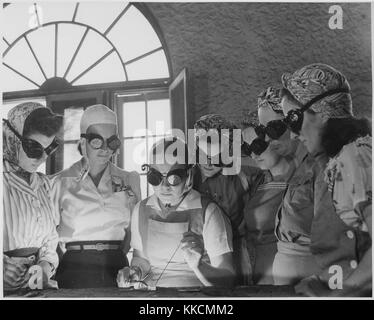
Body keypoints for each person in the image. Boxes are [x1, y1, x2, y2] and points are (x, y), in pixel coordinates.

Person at [281, 63, 371, 296]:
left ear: (321, 114)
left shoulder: (357, 157)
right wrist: (321, 280)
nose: (292, 133)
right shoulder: (331, 164)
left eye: (293, 119)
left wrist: (340, 294)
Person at [117, 137, 235, 288]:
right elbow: (141, 260)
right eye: (156, 177)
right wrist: (135, 272)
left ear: (189, 176)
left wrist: (199, 266)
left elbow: (228, 279)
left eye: (174, 178)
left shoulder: (208, 211)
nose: (164, 186)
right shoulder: (141, 209)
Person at [53, 104, 141, 288]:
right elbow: (49, 234)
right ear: (83, 142)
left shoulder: (129, 179)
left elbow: (135, 229)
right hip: (74, 267)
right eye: (97, 141)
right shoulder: (60, 182)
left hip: (117, 266)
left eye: (112, 142)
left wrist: (118, 255)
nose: (105, 149)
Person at [249, 87, 323, 286]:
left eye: (273, 129)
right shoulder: (294, 172)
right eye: (262, 131)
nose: (265, 139)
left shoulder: (320, 167)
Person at [192, 114, 263, 285]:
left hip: (238, 252)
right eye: (202, 156)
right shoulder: (186, 178)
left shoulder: (247, 176)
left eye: (216, 159)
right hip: (197, 253)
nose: (208, 164)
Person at [3, 102, 63, 292]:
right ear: (11, 138)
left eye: (49, 149)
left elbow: (50, 239)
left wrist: (45, 267)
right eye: (34, 149)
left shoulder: (44, 185)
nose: (43, 158)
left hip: (36, 288)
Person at [242, 87, 297, 285]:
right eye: (247, 149)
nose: (254, 154)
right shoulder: (258, 181)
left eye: (258, 144)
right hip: (256, 277)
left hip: (287, 279)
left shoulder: (303, 179)